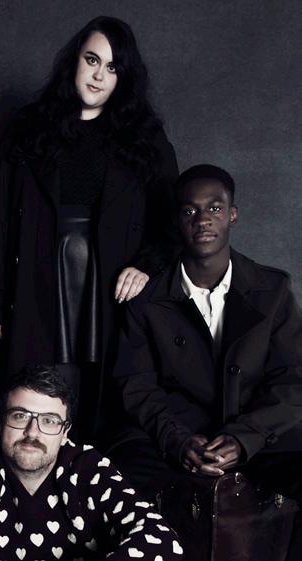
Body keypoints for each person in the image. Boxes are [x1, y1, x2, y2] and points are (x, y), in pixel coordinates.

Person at [0, 16, 178, 437]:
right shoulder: (28, 127)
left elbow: (171, 218)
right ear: (75, 61)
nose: (99, 75)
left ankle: (88, 470)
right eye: (92, 60)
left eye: (113, 67)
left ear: (124, 78)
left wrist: (146, 265)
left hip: (107, 280)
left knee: (100, 394)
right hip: (36, 273)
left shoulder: (145, 137)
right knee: (34, 389)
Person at [110, 164, 302, 559]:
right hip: (174, 437)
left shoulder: (273, 289)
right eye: (190, 211)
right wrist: (180, 441)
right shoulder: (146, 300)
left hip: (258, 438)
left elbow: (293, 380)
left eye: (214, 208)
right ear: (177, 220)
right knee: (117, 477)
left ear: (233, 214)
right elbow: (136, 384)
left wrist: (244, 439)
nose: (202, 220)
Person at [0, 366, 183, 561]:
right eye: (20, 416)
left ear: (65, 433)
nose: (32, 432)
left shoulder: (88, 468)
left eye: (49, 420)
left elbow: (162, 540)